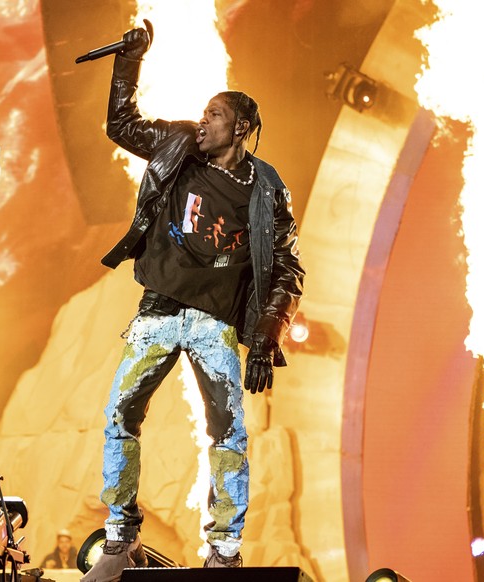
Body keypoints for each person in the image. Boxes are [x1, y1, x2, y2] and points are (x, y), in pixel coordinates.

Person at [81, 22, 304, 582]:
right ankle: (118, 538)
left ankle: (224, 552)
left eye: (215, 115)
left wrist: (266, 336)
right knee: (119, 415)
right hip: (156, 311)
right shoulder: (179, 145)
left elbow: (286, 268)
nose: (202, 122)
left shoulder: (266, 189)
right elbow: (121, 125)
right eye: (203, 113)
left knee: (227, 433)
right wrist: (128, 64)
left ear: (242, 128)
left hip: (212, 325)